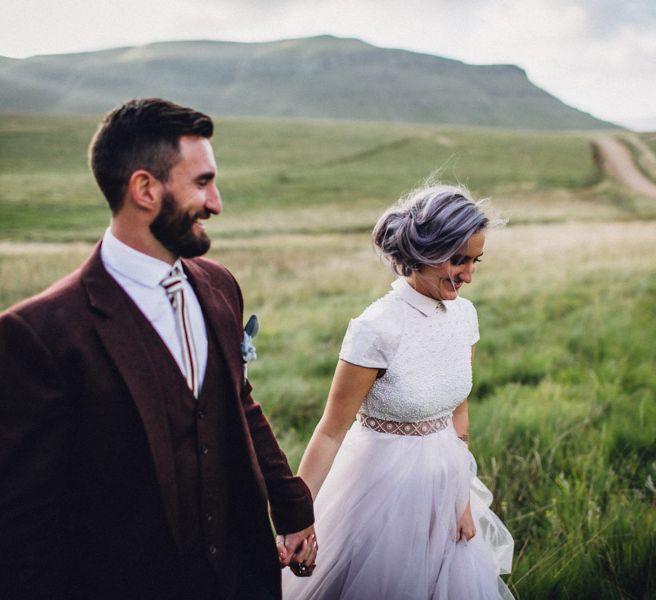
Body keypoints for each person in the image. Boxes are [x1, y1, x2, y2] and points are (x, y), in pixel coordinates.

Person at [0, 98, 317, 600]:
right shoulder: (41, 333)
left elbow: (237, 399)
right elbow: (23, 526)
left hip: (239, 577)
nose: (216, 203)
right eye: (201, 183)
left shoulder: (218, 287)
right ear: (145, 188)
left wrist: (293, 506)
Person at [282, 184, 514, 599]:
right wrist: (298, 517)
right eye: (457, 260)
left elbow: (458, 414)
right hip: (378, 496)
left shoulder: (464, 316)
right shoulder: (376, 328)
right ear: (422, 253)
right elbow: (331, 431)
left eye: (475, 260)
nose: (468, 274)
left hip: (446, 488)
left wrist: (460, 499)